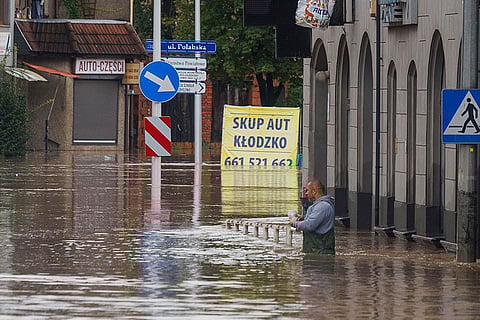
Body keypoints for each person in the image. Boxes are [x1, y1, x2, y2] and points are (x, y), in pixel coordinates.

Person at [288, 179, 335, 255]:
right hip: (316, 251)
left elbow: (309, 225)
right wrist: (302, 219)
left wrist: (295, 223)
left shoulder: (322, 206)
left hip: (320, 253)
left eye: (307, 190)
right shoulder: (319, 205)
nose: (306, 193)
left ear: (314, 191)